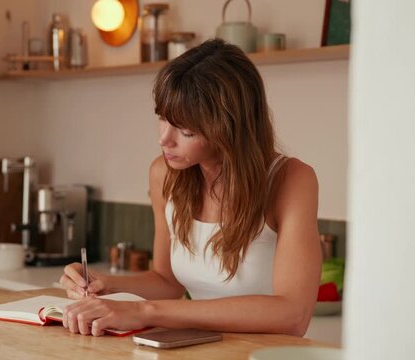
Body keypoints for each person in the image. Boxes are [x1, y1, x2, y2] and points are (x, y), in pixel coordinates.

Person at [59, 38, 321, 337]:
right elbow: (166, 282)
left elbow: (292, 314)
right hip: (194, 350)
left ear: (229, 128)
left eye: (185, 130)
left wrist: (143, 311)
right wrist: (106, 284)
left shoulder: (292, 180)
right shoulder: (165, 174)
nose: (164, 139)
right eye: (163, 118)